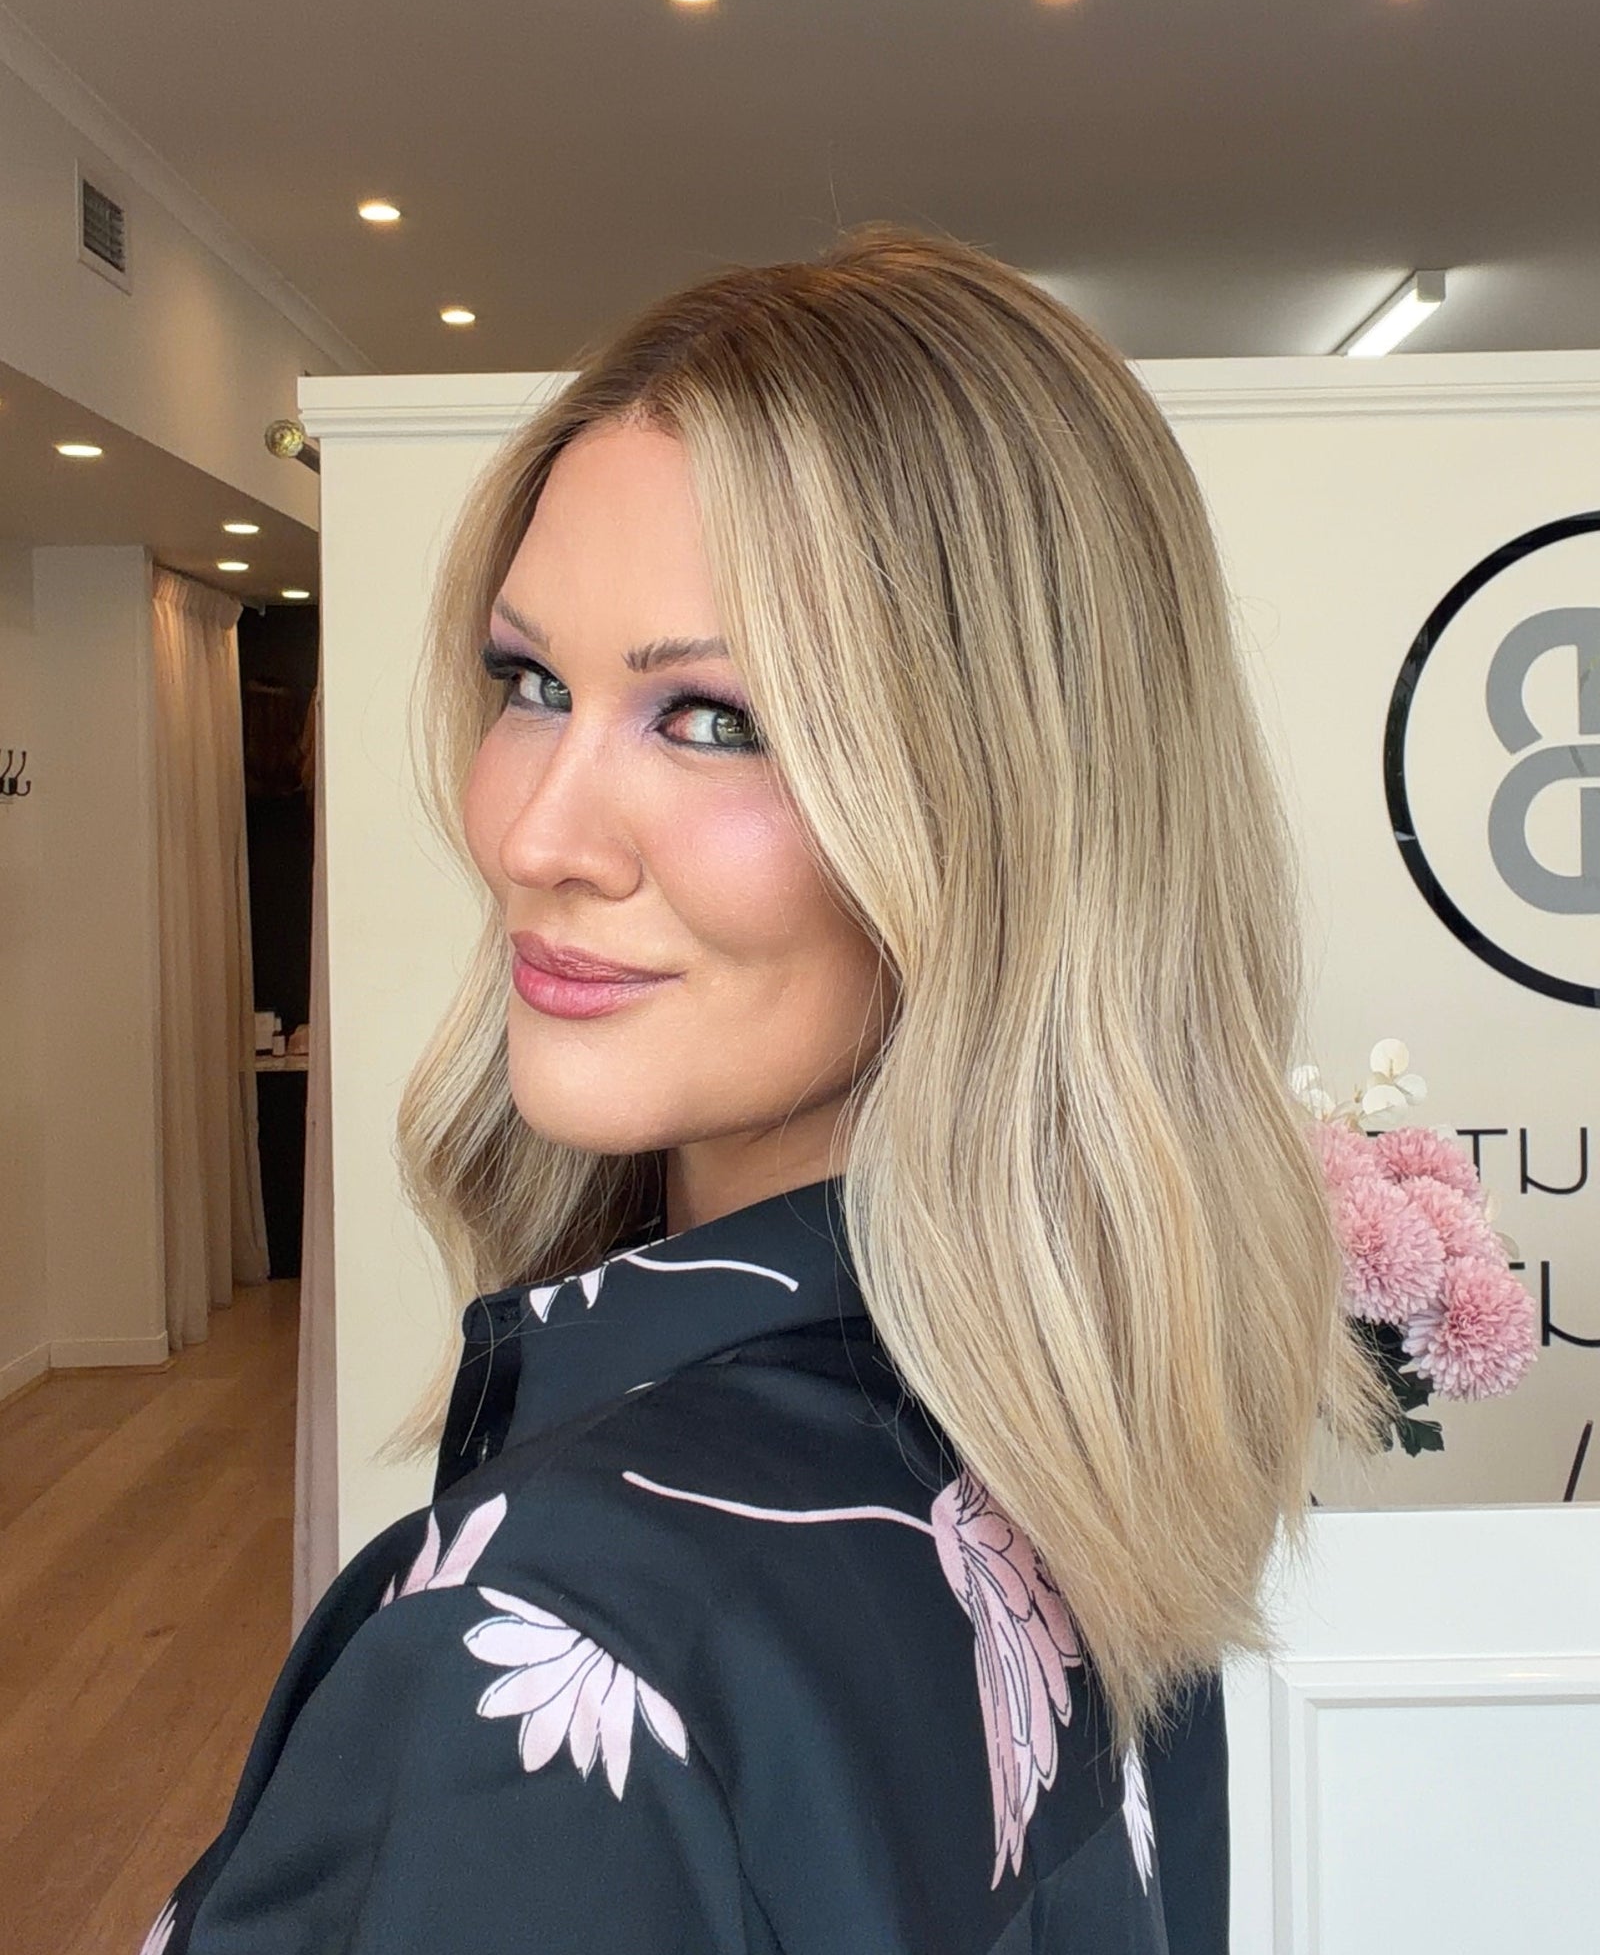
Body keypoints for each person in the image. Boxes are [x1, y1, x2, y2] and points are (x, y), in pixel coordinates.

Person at [137, 223, 1393, 1954]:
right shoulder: (1085, 1452)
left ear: (1005, 808)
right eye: (529, 684)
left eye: (712, 718)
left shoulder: (550, 1645)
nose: (529, 835)